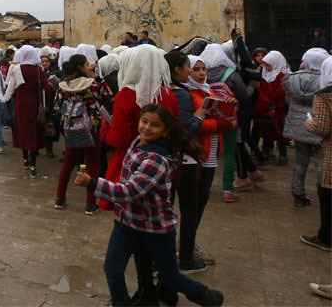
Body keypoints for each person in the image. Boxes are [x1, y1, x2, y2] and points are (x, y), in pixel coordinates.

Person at [74, 105, 223, 306]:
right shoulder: (138, 142)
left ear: (165, 130)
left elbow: (130, 192)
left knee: (170, 277)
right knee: (113, 269)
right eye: (144, 122)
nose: (146, 128)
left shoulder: (157, 160)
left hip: (155, 228)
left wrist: (92, 183)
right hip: (127, 222)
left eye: (155, 125)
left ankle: (205, 295)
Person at [99, 44, 178, 211]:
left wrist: (105, 127)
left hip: (130, 164)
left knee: (129, 213)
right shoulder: (168, 94)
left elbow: (118, 140)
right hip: (162, 160)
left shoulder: (126, 96)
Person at [163, 50, 212, 274]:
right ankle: (186, 258)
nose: (191, 72)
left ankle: (161, 258)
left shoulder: (162, 90)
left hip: (166, 157)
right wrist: (199, 118)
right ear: (177, 70)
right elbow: (184, 129)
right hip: (185, 159)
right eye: (188, 67)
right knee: (189, 209)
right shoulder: (181, 94)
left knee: (166, 208)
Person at [186, 55, 233, 262]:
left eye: (203, 69)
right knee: (194, 202)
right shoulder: (188, 94)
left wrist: (229, 108)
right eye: (196, 69)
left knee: (202, 200)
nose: (202, 73)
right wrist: (219, 125)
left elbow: (216, 116)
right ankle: (188, 245)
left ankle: (190, 242)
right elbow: (194, 123)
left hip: (211, 151)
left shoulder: (209, 90)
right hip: (198, 152)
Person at [202, 43, 263, 201]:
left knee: (207, 152)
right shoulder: (231, 74)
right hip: (229, 119)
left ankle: (204, 187)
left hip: (208, 117)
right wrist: (251, 86)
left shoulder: (201, 73)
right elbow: (243, 96)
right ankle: (227, 190)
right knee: (229, 153)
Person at [54, 54, 112, 213]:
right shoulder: (92, 84)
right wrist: (99, 79)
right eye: (87, 64)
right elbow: (108, 95)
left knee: (68, 164)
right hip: (91, 129)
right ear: (81, 67)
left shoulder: (63, 85)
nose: (90, 66)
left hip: (71, 128)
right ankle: (90, 204)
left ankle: (60, 198)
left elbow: (57, 107)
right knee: (92, 165)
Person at [283, 48, 329, 206]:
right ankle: (323, 193)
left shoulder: (293, 78)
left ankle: (298, 193)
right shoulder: (325, 79)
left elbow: (288, 102)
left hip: (299, 125)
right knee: (320, 162)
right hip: (318, 125)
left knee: (300, 162)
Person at [3, 45, 52, 178]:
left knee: (23, 130)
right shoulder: (38, 70)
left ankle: (25, 159)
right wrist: (47, 103)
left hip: (20, 104)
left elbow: (12, 87)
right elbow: (46, 89)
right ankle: (33, 165)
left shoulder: (16, 68)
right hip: (34, 105)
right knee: (33, 132)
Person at [301, 56, 332, 252]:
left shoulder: (325, 95)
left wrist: (308, 122)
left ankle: (326, 237)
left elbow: (321, 128)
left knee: (327, 193)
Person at [253, 50, 291, 166]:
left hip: (279, 109)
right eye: (266, 65)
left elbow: (281, 93)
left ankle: (283, 155)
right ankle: (265, 154)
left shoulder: (282, 76)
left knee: (281, 133)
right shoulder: (263, 73)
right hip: (267, 108)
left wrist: (267, 93)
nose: (267, 68)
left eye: (269, 65)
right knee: (266, 131)